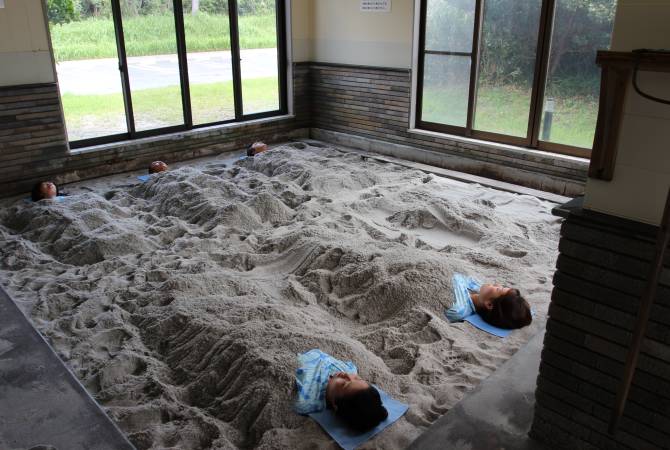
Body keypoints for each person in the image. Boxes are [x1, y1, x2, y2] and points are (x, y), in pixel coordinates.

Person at [295, 349, 388, 431]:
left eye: (344, 384)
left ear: (335, 405)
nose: (346, 375)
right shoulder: (349, 370)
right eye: (358, 379)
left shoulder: (308, 399)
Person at [446, 273, 532, 329]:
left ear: (489, 304)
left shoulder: (458, 309)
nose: (497, 284)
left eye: (498, 289)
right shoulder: (482, 291)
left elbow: (454, 277)